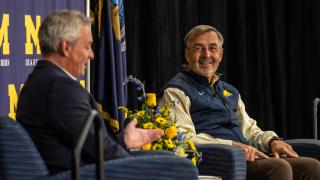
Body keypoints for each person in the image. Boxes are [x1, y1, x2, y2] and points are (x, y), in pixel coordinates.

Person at [159, 25, 320, 180]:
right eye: (199, 48)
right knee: (279, 167)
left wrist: (272, 141)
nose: (206, 54)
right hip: (218, 160)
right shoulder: (176, 91)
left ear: (220, 54)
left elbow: (250, 131)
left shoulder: (230, 92)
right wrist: (232, 145)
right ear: (187, 54)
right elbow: (182, 138)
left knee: (311, 166)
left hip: (246, 157)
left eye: (213, 48)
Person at [16, 10, 166, 174]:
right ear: (66, 47)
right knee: (179, 167)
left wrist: (124, 141)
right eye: (87, 46)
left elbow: (86, 144)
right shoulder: (60, 88)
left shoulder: (41, 80)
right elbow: (100, 153)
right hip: (79, 175)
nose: (92, 55)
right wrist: (137, 168)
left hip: (80, 171)